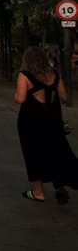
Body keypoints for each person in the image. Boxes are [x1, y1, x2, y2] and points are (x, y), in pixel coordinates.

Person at [15, 46, 78, 203]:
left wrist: (16, 95)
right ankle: (61, 183)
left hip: (30, 121)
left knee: (33, 153)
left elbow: (21, 99)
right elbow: (64, 96)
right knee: (56, 150)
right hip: (52, 120)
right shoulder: (54, 74)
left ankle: (38, 191)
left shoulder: (24, 75)